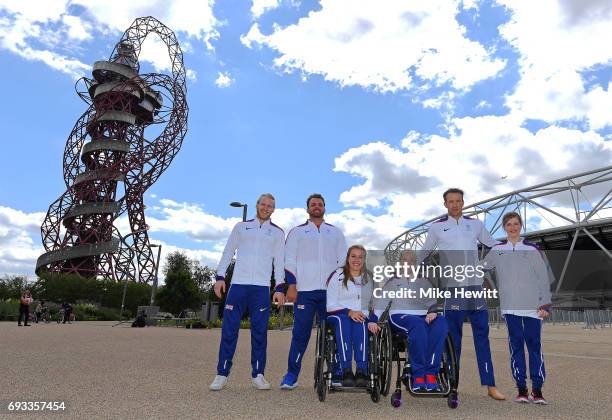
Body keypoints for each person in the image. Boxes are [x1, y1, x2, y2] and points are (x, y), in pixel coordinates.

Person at [417, 188, 505, 400]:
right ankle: (451, 383)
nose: (455, 204)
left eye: (458, 201)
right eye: (450, 201)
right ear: (445, 204)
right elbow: (424, 253)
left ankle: (490, 385)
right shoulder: (437, 228)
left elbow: (495, 247)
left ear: (463, 202)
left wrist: (484, 266)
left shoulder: (475, 224)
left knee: (482, 338)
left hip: (475, 289)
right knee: (452, 338)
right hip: (453, 290)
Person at [209, 193, 285, 391]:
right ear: (257, 205)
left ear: (273, 210)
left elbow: (280, 262)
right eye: (263, 204)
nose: (266, 208)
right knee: (229, 331)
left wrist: (279, 286)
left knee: (259, 333)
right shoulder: (241, 227)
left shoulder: (277, 233)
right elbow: (227, 252)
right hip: (238, 286)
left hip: (261, 289)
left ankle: (258, 374)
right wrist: (219, 277)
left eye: (270, 206)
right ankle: (222, 373)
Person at [481, 212, 552, 404]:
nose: (512, 227)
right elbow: (481, 268)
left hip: (532, 308)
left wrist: (545, 303)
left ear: (521, 226)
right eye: (509, 224)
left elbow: (543, 277)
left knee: (534, 347)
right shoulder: (497, 249)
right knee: (516, 348)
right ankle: (521, 389)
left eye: (516, 224)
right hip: (510, 308)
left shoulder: (532, 248)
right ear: (504, 227)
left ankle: (537, 391)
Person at [280, 193, 347, 390]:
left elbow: (342, 263)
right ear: (307, 208)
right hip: (305, 292)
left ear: (325, 207)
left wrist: (340, 288)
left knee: (333, 333)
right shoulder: (297, 232)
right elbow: (289, 259)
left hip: (330, 294)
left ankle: (336, 372)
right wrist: (291, 285)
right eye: (313, 204)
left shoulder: (335, 232)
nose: (316, 207)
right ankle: (292, 375)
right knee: (300, 335)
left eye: (320, 204)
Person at [370, 250, 448, 392]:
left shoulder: (424, 281)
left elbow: (432, 302)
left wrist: (432, 312)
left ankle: (430, 373)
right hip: (400, 316)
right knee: (418, 326)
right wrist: (373, 320)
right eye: (405, 260)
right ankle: (417, 374)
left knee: (441, 323)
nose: (408, 263)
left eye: (411, 261)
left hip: (423, 315)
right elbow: (381, 303)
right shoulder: (392, 282)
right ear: (400, 263)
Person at [326, 245, 372, 387]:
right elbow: (330, 305)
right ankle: (346, 370)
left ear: (364, 260)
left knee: (361, 323)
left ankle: (361, 370)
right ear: (348, 258)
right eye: (353, 256)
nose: (356, 260)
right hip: (338, 314)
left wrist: (368, 317)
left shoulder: (369, 278)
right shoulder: (337, 275)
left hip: (360, 315)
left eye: (360, 257)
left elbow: (373, 303)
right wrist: (349, 312)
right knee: (343, 321)